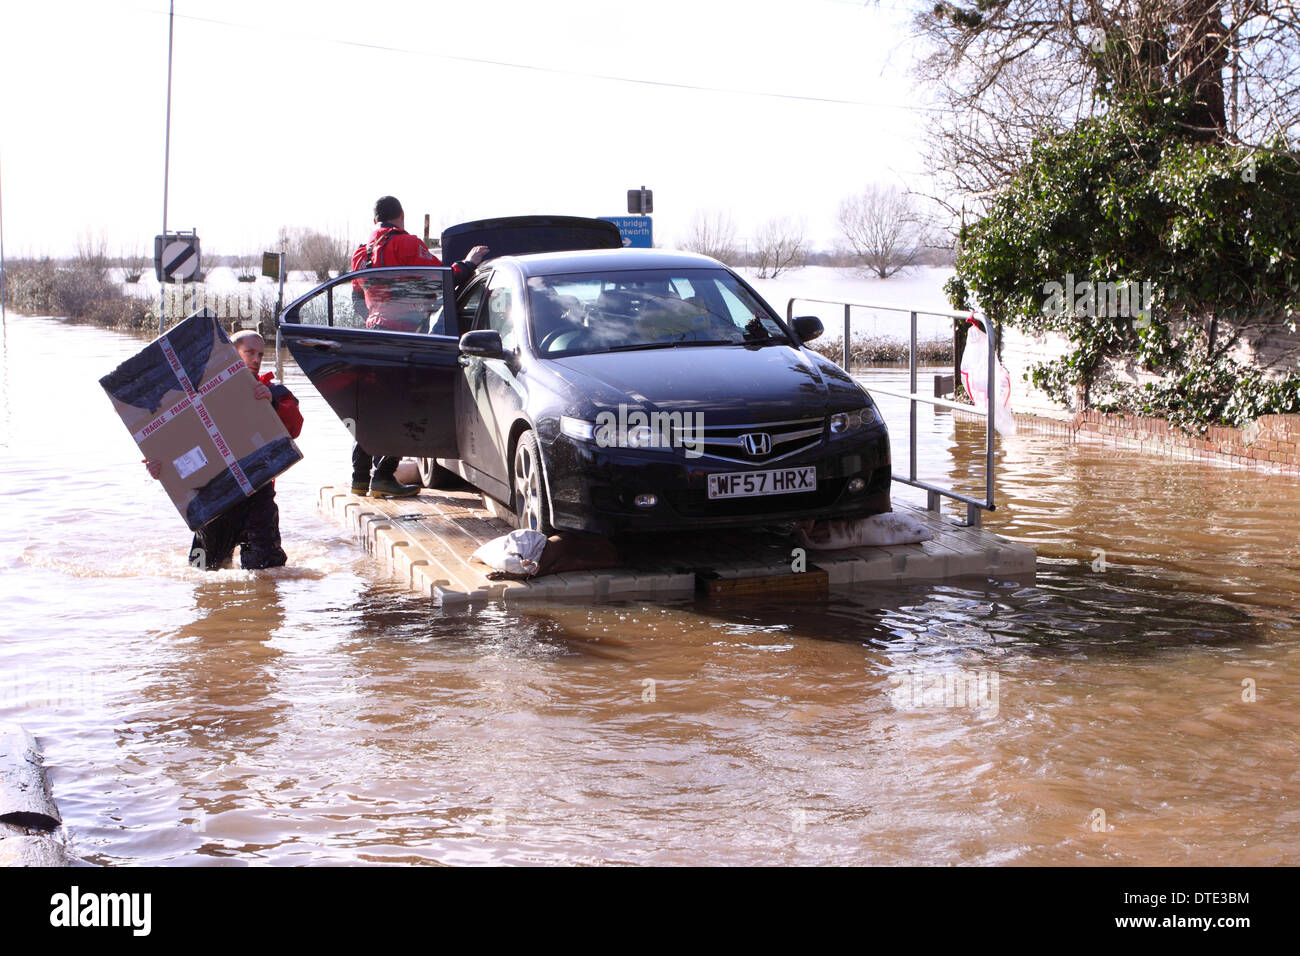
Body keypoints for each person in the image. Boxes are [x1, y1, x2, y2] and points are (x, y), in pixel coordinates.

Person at [348, 195, 488, 497]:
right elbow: (441, 279)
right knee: (406, 408)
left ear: (375, 220)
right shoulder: (407, 244)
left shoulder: (361, 253)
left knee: (371, 409)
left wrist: (375, 321)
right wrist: (468, 263)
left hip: (373, 337)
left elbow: (356, 301)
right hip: (402, 339)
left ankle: (359, 479)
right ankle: (383, 475)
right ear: (401, 216)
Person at [144, 330, 303, 570]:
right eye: (249, 352)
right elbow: (175, 443)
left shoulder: (274, 392)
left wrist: (271, 401)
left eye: (260, 354)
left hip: (257, 494)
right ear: (231, 354)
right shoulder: (197, 397)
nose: (257, 359)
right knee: (204, 574)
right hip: (214, 497)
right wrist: (160, 468)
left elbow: (294, 428)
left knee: (268, 571)